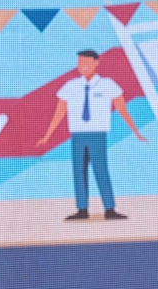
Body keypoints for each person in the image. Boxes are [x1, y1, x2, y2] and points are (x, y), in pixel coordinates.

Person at [37, 49, 146, 220]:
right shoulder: (70, 86)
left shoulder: (108, 85)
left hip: (98, 135)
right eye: (80, 63)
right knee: (78, 171)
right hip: (78, 135)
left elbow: (122, 109)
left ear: (96, 63)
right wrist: (47, 135)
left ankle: (109, 208)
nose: (83, 67)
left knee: (101, 170)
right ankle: (82, 209)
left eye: (87, 63)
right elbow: (59, 112)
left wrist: (136, 132)